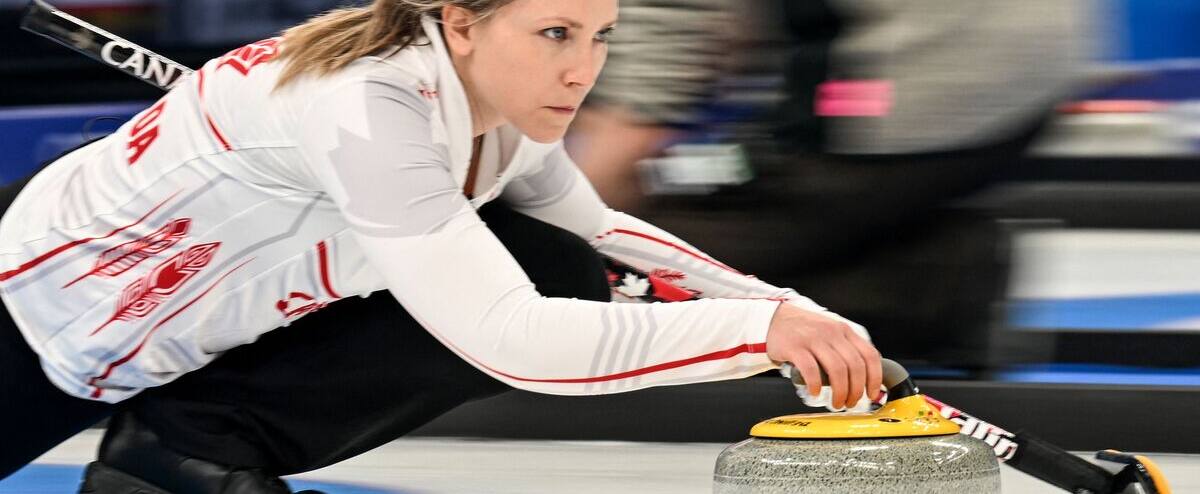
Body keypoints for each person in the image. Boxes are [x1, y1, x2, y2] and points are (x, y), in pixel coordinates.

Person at [0, 1, 882, 492]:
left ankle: (183, 457)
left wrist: (791, 313)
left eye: (599, 37)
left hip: (150, 346)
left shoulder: (494, 108)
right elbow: (511, 339)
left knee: (554, 261)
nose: (582, 69)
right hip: (32, 321)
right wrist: (754, 336)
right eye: (554, 35)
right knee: (523, 288)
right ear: (460, 23)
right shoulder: (368, 109)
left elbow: (603, 236)